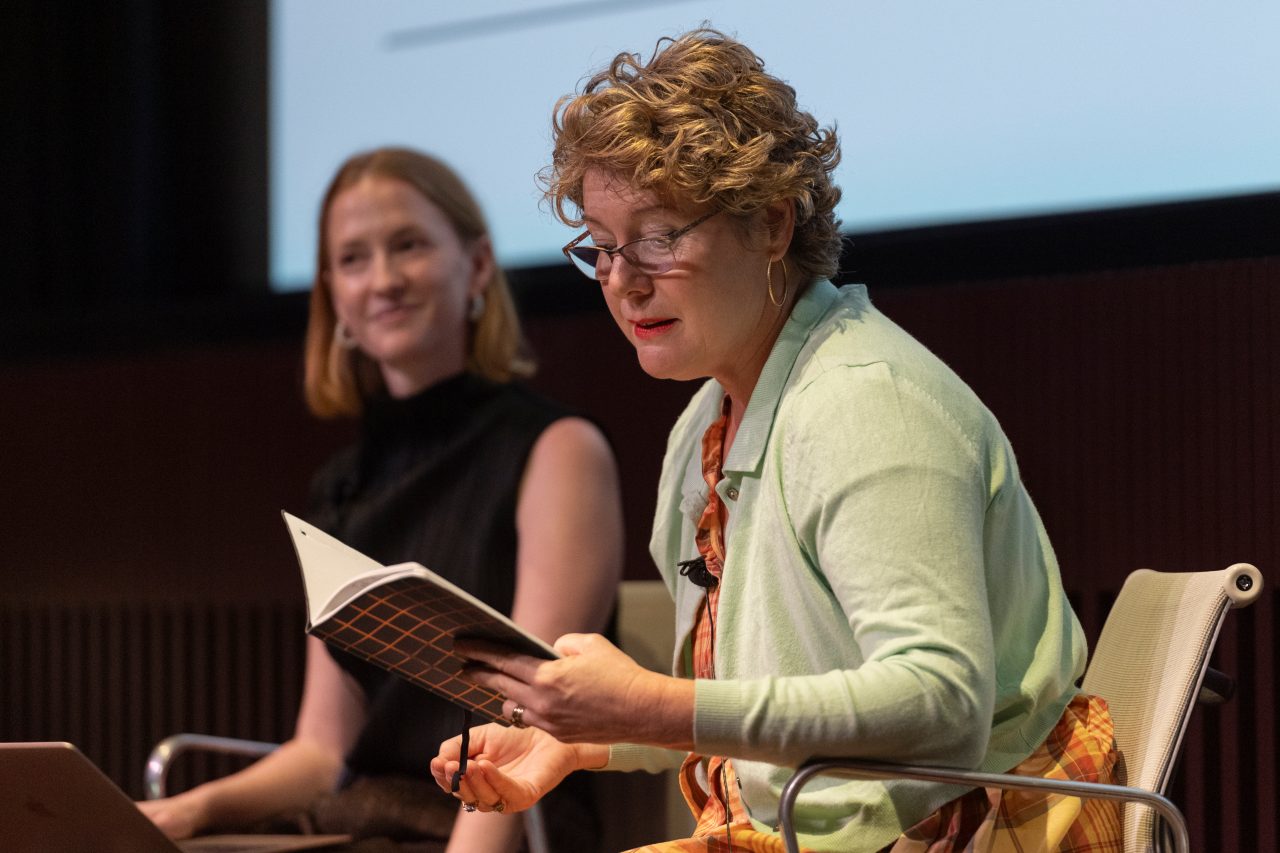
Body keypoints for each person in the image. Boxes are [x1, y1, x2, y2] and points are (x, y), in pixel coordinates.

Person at [430, 29, 1122, 853]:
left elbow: (942, 703)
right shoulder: (706, 424)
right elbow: (771, 703)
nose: (625, 281)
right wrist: (582, 739)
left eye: (659, 237)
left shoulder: (864, 400)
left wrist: (650, 703)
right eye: (605, 249)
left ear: (770, 223)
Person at [139, 147, 624, 853]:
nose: (384, 280)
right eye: (354, 258)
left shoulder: (556, 448)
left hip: (503, 827)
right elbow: (319, 750)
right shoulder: (340, 485)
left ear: (478, 265)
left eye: (409, 245)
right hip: (359, 826)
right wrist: (185, 813)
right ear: (333, 293)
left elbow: (532, 721)